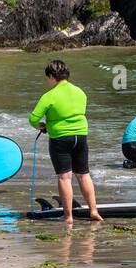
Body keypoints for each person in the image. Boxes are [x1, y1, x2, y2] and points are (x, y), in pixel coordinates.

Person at [29, 59, 102, 225]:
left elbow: (33, 118)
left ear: (52, 76)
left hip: (60, 138)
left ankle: (68, 217)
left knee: (65, 177)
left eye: (48, 78)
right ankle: (93, 210)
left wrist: (42, 126)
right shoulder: (80, 92)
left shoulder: (50, 95)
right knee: (84, 175)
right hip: (81, 136)